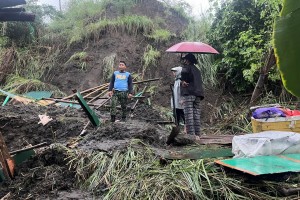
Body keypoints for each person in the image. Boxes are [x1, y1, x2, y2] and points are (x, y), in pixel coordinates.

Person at [180, 53, 204, 136]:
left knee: (189, 114)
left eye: (185, 59)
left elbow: (184, 80)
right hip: (198, 93)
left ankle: (191, 136)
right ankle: (197, 134)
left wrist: (182, 82)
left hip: (189, 93)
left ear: (188, 60)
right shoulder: (197, 70)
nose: (184, 61)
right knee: (196, 114)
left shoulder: (186, 68)